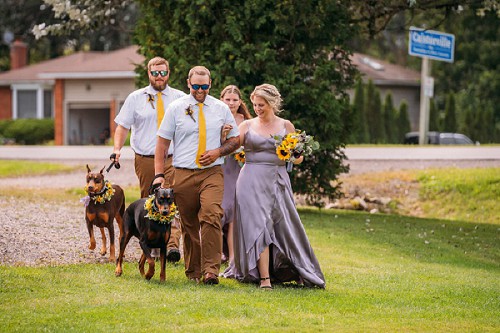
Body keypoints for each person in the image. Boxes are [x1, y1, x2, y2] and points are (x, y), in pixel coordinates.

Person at [153, 66, 241, 285]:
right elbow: (162, 144)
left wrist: (217, 152)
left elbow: (235, 140)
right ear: (188, 83)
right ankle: (193, 271)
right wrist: (159, 174)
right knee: (189, 223)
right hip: (182, 173)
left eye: (204, 86)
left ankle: (211, 270)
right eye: (196, 86)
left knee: (211, 214)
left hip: (212, 173)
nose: (200, 91)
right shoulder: (176, 107)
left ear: (210, 84)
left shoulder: (221, 108)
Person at [233, 83, 326, 289]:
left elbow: (297, 158)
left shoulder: (286, 126)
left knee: (283, 226)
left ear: (272, 103)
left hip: (277, 180)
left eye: (262, 105)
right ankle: (264, 277)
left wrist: (295, 154)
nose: (257, 108)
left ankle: (294, 269)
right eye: (255, 104)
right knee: (259, 225)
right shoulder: (246, 126)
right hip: (250, 180)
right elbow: (232, 145)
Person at [111, 56, 185, 263]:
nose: (159, 76)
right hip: (145, 159)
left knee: (172, 201)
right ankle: (152, 248)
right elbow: (122, 126)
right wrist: (117, 149)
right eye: (155, 73)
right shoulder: (135, 97)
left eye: (163, 72)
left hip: (172, 159)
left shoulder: (180, 98)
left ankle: (171, 247)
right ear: (149, 74)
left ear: (168, 73)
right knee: (149, 202)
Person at [219, 85, 252, 278]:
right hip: (223, 168)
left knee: (236, 214)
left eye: (234, 100)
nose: (231, 103)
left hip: (242, 169)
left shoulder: (246, 121)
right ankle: (218, 252)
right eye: (227, 99)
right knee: (223, 209)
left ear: (240, 102)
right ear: (221, 100)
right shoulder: (218, 118)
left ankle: (233, 257)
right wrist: (223, 136)